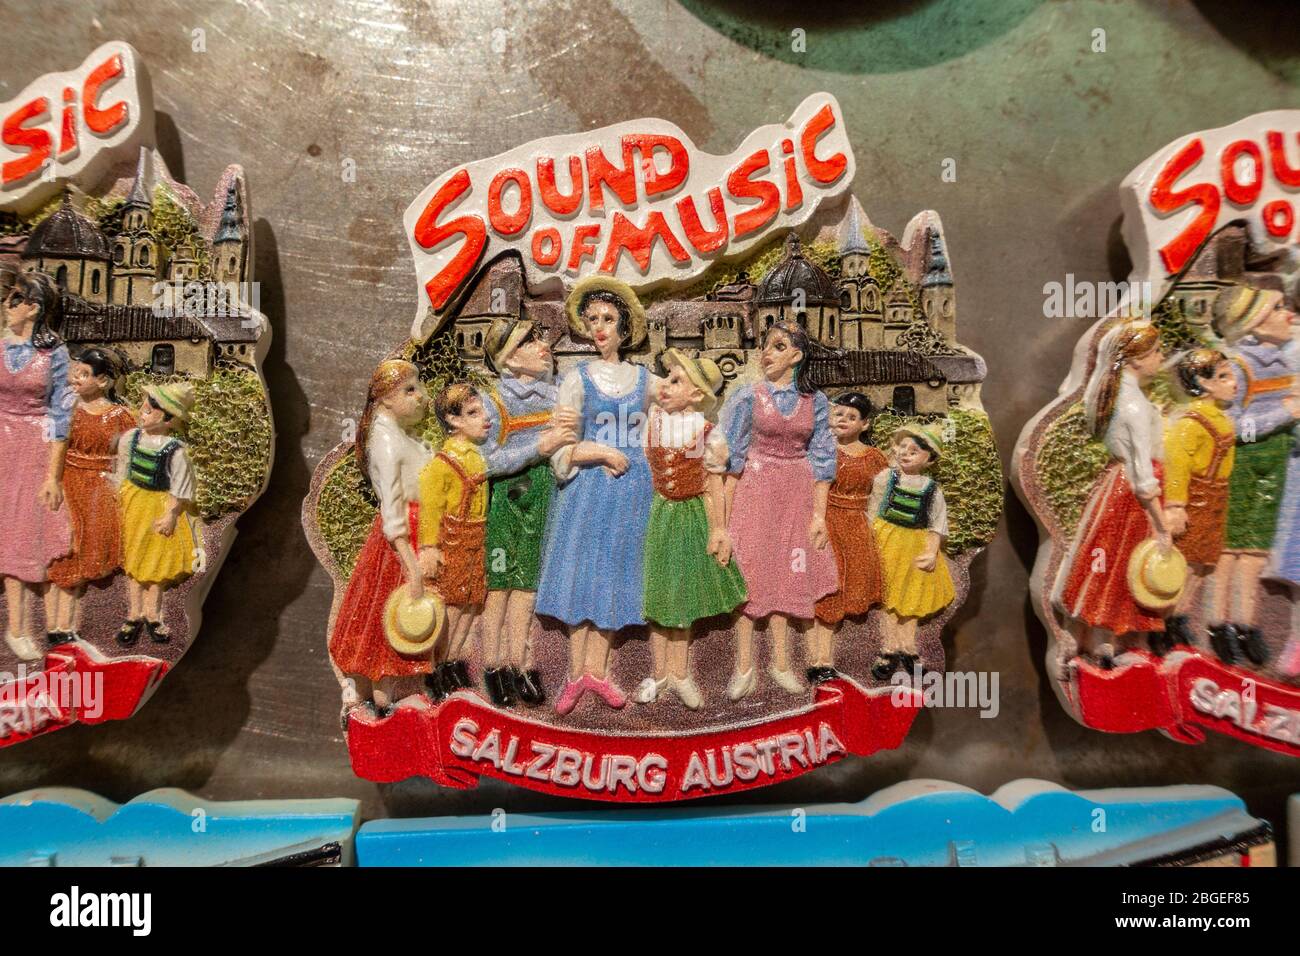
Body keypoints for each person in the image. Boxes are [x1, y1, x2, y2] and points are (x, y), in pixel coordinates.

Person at [535, 276, 662, 715]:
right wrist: (598, 450)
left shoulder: (645, 380)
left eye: (609, 319)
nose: (601, 328)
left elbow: (676, 416)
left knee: (614, 575)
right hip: (586, 491)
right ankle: (576, 674)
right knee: (582, 576)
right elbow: (560, 446)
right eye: (593, 320)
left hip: (632, 492)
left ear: (625, 329)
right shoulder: (577, 380)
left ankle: (600, 670)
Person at [721, 321, 838, 700]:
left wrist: (819, 516)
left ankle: (782, 663)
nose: (767, 353)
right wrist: (721, 520)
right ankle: (743, 666)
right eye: (765, 346)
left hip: (797, 492)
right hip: (754, 490)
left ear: (796, 356)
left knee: (790, 571)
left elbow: (823, 458)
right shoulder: (747, 397)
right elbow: (731, 458)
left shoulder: (814, 402)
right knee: (750, 572)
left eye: (778, 345)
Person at [1051, 320, 1170, 670]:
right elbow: (1144, 475)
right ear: (1136, 360)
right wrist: (1161, 526)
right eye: (1157, 353)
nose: (1161, 358)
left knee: (1101, 565)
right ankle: (1101, 643)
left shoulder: (1115, 396)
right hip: (1132, 497)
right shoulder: (1135, 407)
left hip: (1112, 488)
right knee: (1121, 569)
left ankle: (1093, 639)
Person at [634, 348, 747, 710]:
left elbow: (714, 486)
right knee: (657, 594)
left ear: (697, 394)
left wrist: (719, 529)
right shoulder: (652, 419)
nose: (666, 385)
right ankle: (660, 671)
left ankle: (680, 673)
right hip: (656, 513)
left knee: (680, 595)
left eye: (677, 380)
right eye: (666, 378)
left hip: (690, 515)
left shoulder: (706, 433)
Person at [477, 318, 576, 707]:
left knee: (528, 587)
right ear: (510, 359)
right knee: (499, 586)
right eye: (529, 341)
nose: (542, 345)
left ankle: (521, 662)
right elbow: (487, 461)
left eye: (538, 337)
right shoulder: (495, 402)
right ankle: (493, 664)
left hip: (546, 498)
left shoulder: (555, 398)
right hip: (507, 500)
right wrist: (542, 444)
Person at [328, 360, 433, 715]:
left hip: (416, 530)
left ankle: (374, 696)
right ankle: (383, 701)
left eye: (418, 387)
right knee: (389, 621)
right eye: (410, 390)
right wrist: (412, 567)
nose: (422, 397)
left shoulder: (397, 436)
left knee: (383, 620)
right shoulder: (386, 442)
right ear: (385, 399)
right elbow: (391, 510)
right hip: (401, 543)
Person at [1213, 285, 1299, 666]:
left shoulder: (1282, 365)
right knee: (1229, 552)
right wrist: (1283, 415)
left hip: (1274, 468)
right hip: (1243, 468)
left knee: (1255, 554)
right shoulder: (1237, 367)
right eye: (1278, 308)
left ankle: (1246, 625)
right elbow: (1233, 429)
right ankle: (1218, 625)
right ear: (1255, 323)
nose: (1289, 314)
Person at [0, 270, 72, 661]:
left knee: (19, 536)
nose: (7, 306)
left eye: (14, 299)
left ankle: (17, 627)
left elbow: (61, 416)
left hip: (31, 447)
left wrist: (52, 474)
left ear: (33, 307)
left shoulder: (54, 355)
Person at [46, 347, 135, 646]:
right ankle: (58, 625)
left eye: (85, 375)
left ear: (104, 381)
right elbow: (55, 449)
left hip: (101, 489)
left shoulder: (120, 416)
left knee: (88, 554)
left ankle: (66, 624)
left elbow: (129, 455)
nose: (76, 380)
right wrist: (52, 481)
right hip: (70, 484)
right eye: (76, 373)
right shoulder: (69, 410)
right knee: (66, 551)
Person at [417, 383, 492, 697]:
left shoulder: (479, 455)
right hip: (453, 540)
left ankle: (454, 660)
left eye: (482, 410)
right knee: (452, 606)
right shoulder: (442, 465)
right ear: (454, 420)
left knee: (473, 604)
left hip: (478, 536)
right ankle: (437, 665)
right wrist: (429, 547)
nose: (484, 418)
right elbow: (431, 509)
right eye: (473, 413)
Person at [1161, 349, 1236, 659]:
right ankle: (1165, 622)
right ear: (1203, 384)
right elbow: (1176, 464)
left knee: (1205, 564)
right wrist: (1176, 505)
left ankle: (1180, 615)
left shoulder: (1220, 418)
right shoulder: (1191, 423)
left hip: (1217, 495)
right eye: (1223, 377)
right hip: (1197, 498)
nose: (1233, 383)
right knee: (1188, 564)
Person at [808, 392, 887, 682]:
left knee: (856, 585)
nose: (843, 420)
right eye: (839, 414)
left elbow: (882, 496)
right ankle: (819, 659)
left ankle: (875, 652)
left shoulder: (875, 458)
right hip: (828, 522)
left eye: (851, 417)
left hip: (858, 526)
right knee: (828, 590)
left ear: (864, 424)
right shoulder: (822, 451)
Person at [115, 382, 200, 645]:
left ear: (168, 418)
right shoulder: (131, 439)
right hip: (134, 503)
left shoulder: (175, 450)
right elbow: (123, 470)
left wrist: (171, 514)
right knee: (134, 559)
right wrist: (117, 496)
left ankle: (152, 614)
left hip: (157, 506)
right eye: (143, 408)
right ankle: (133, 614)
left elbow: (180, 485)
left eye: (150, 411)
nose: (142, 413)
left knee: (155, 561)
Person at [869, 423, 955, 679]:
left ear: (928, 458)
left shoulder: (932, 489)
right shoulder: (885, 479)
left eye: (914, 451)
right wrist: (869, 539)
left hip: (914, 547)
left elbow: (936, 524)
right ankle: (888, 647)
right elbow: (873, 510)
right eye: (903, 448)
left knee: (911, 599)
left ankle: (908, 647)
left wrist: (931, 552)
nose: (906, 453)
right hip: (888, 543)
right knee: (889, 599)